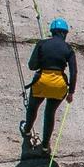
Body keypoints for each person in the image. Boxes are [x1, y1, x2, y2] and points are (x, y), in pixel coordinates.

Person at [21, 18, 77, 152]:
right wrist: (71, 92)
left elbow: (31, 65)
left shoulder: (42, 43)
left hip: (42, 81)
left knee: (33, 107)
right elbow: (74, 71)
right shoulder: (68, 48)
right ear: (65, 33)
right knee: (50, 113)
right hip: (59, 85)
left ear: (52, 31)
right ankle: (45, 146)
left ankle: (27, 130)